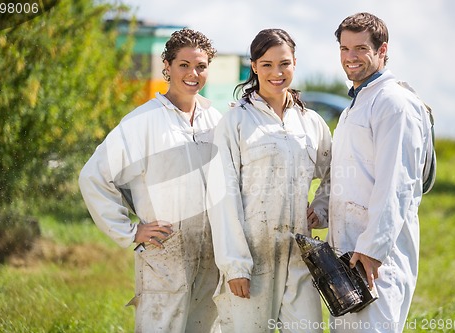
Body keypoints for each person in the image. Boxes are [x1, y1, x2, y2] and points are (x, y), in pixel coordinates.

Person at [78, 28, 222, 333]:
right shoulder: (143, 121)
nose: (193, 73)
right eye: (183, 65)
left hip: (210, 256)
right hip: (164, 254)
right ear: (167, 67)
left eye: (201, 66)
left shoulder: (215, 120)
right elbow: (93, 176)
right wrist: (130, 231)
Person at [206, 28, 332, 332]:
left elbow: (334, 174)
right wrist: (235, 264)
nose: (277, 72)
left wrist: (320, 207)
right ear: (254, 66)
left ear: (295, 63)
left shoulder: (310, 122)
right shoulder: (236, 121)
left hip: (301, 257)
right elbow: (222, 195)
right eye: (267, 64)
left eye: (284, 64)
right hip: (252, 258)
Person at [327, 12, 433, 332]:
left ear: (382, 50)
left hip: (377, 259)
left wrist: (374, 248)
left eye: (360, 48)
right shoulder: (357, 103)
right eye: (344, 49)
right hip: (347, 251)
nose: (350, 57)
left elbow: (397, 182)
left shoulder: (393, 102)